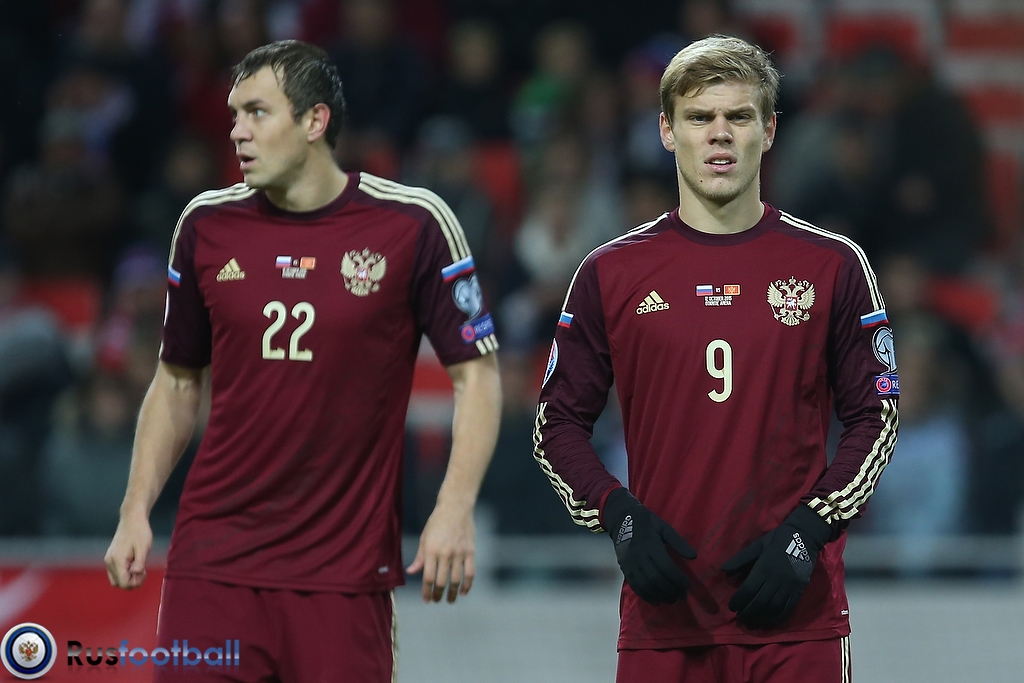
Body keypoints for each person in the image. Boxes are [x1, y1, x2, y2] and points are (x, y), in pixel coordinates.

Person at [104, 40, 501, 682]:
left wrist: (454, 508)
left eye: (257, 113)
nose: (237, 132)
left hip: (343, 578)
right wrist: (134, 511)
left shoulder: (414, 223)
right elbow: (176, 382)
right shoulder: (205, 224)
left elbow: (476, 376)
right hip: (213, 567)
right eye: (234, 115)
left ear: (315, 121)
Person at [534, 35, 898, 682]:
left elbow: (878, 416)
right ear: (667, 131)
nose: (720, 133)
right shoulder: (609, 273)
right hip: (663, 622)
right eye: (700, 117)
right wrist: (617, 514)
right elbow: (554, 423)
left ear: (770, 129)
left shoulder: (833, 264)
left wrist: (810, 529)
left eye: (739, 116)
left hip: (797, 620)